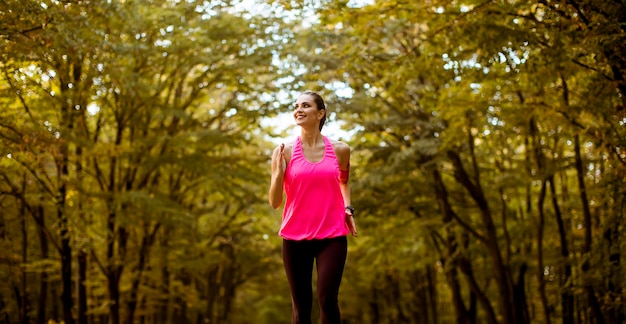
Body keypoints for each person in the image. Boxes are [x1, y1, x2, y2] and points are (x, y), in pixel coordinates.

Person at [269, 91, 358, 324]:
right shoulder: (283, 151)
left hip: (332, 235)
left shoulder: (340, 150)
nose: (299, 109)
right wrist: (278, 175)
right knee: (301, 308)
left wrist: (348, 209)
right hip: (295, 237)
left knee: (328, 300)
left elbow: (344, 181)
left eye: (306, 106)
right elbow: (275, 202)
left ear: (320, 113)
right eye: (296, 105)